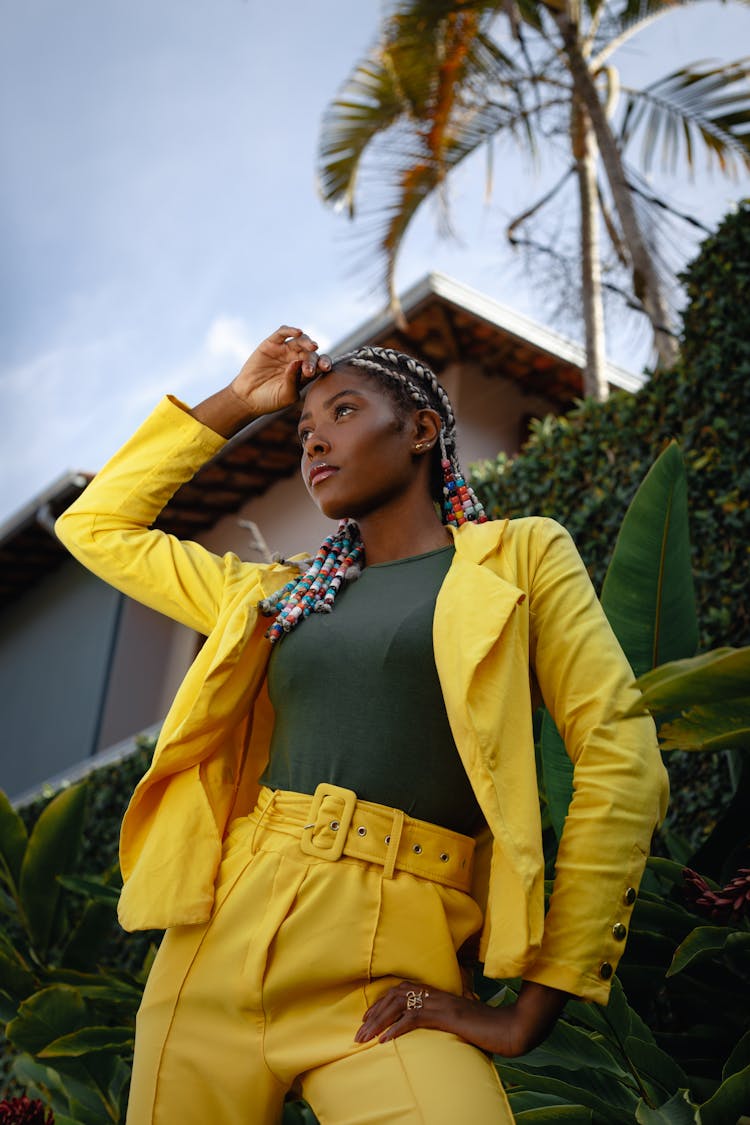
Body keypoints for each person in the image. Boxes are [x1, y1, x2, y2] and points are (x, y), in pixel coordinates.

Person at [56, 326, 669, 1124]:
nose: (314, 440)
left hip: (396, 962)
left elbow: (621, 759)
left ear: (420, 429)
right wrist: (241, 401)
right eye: (303, 430)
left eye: (343, 412)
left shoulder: (517, 558)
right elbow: (94, 526)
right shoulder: (272, 596)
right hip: (218, 941)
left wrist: (532, 1006)